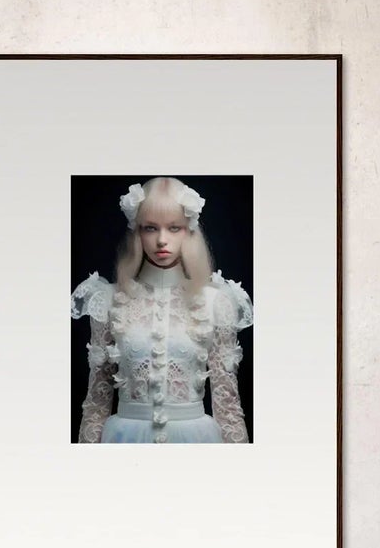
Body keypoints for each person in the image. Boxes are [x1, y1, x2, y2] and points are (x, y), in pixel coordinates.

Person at [70, 176, 254, 444]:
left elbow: (228, 406)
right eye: (150, 228)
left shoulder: (217, 301)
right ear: (137, 231)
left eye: (174, 228)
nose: (162, 240)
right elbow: (97, 401)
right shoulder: (109, 299)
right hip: (125, 441)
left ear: (189, 230)